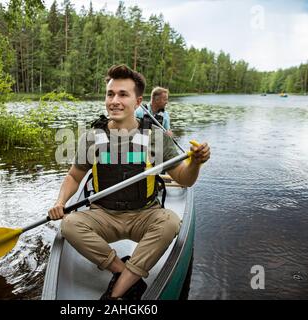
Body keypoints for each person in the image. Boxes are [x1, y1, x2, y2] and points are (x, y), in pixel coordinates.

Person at [48, 64, 210, 300]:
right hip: (103, 215)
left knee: (170, 222)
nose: (114, 100)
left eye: (123, 94)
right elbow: (74, 176)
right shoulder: (92, 137)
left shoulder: (155, 136)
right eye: (110, 94)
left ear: (137, 101)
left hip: (144, 215)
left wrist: (195, 163)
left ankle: (116, 293)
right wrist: (60, 201)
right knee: (69, 225)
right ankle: (120, 269)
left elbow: (185, 179)